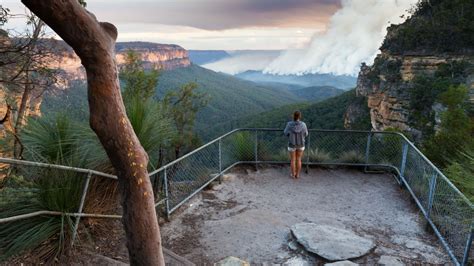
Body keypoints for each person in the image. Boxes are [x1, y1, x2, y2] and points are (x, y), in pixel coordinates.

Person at [284, 111, 308, 179]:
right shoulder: (303, 124)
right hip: (301, 144)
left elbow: (285, 133)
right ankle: (297, 175)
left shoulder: (289, 124)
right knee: (299, 159)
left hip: (292, 144)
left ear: (293, 116)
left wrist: (290, 135)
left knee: (293, 160)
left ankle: (293, 174)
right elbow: (306, 134)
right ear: (300, 116)